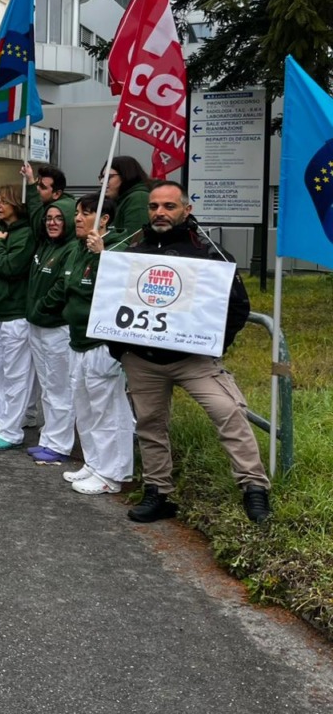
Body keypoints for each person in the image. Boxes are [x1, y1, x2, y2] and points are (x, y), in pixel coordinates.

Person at [110, 181, 271, 524]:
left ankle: (254, 488)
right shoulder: (131, 252)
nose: (160, 213)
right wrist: (120, 348)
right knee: (150, 425)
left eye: (169, 206)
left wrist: (213, 345)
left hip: (194, 361)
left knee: (229, 412)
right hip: (143, 360)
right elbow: (110, 303)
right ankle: (158, 492)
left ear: (186, 209)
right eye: (154, 206)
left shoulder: (210, 254)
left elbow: (238, 307)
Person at [32, 194, 134, 496]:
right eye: (76, 212)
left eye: (85, 213)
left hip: (102, 343)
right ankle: (94, 462)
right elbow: (66, 287)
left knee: (107, 409)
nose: (77, 218)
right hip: (77, 340)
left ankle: (112, 474)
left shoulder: (118, 248)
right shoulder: (77, 249)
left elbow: (123, 289)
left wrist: (103, 257)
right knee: (85, 407)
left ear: (103, 219)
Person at [0, 185, 36, 451]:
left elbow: (12, 267)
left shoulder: (26, 234)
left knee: (16, 375)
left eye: (3, 201)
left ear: (17, 203)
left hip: (15, 315)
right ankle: (4, 426)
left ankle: (12, 431)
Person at [23, 203, 77, 464]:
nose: (52, 223)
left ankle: (60, 445)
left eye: (59, 218)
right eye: (48, 218)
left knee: (60, 389)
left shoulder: (71, 249)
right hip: (38, 325)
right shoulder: (45, 246)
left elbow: (62, 287)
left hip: (56, 327)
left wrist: (41, 306)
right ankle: (49, 437)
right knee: (47, 387)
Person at [19, 163, 75, 242]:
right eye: (36, 184)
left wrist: (31, 184)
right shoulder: (45, 202)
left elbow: (38, 227)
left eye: (42, 187)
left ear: (57, 194)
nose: (37, 189)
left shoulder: (65, 207)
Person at [100, 154, 151, 239]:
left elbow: (134, 240)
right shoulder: (116, 199)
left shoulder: (139, 198)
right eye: (102, 177)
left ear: (126, 175)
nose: (102, 182)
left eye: (108, 177)